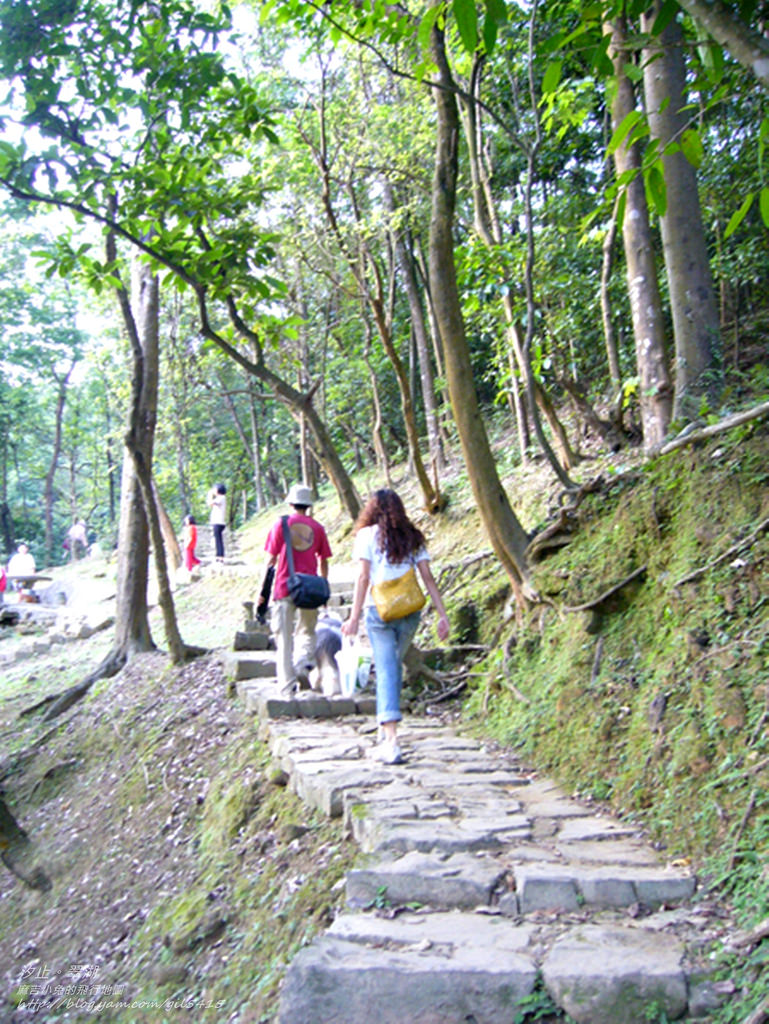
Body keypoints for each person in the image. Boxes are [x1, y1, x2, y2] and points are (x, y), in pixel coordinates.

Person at [342, 489, 450, 765]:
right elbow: (427, 576)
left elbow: (363, 577)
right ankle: (384, 724)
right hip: (410, 611)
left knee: (388, 669)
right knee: (390, 666)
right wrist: (442, 614)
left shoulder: (366, 536)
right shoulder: (413, 535)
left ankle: (391, 742)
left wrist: (353, 617)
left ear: (372, 510)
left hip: (379, 612)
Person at [263, 484, 332, 697]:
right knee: (307, 632)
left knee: (283, 638)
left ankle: (287, 686)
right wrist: (323, 585)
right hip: (309, 589)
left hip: (284, 587)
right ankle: (303, 665)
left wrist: (262, 591)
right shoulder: (318, 528)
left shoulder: (280, 525)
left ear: (291, 503)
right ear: (308, 505)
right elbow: (324, 561)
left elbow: (270, 560)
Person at [207, 484, 227, 562]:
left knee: (218, 540)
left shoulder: (221, 498)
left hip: (219, 522)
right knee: (217, 539)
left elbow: (210, 503)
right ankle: (218, 555)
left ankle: (220, 556)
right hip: (217, 522)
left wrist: (209, 495)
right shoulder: (220, 498)